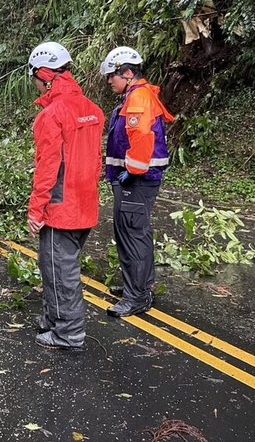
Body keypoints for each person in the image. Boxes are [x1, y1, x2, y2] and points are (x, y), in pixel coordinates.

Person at [27, 42, 105, 352]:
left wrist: (36, 209)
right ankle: (52, 319)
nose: (34, 83)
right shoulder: (92, 110)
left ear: (45, 75)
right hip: (84, 204)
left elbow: (48, 167)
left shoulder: (52, 115)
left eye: (34, 76)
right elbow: (96, 161)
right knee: (56, 267)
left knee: (61, 272)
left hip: (61, 208)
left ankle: (68, 333)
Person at [100, 46, 175, 318]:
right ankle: (139, 285)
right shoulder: (136, 96)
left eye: (112, 76)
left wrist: (131, 171)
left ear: (127, 73)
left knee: (133, 235)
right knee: (133, 232)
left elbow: (142, 139)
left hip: (137, 181)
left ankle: (138, 296)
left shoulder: (139, 98)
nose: (109, 81)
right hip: (133, 180)